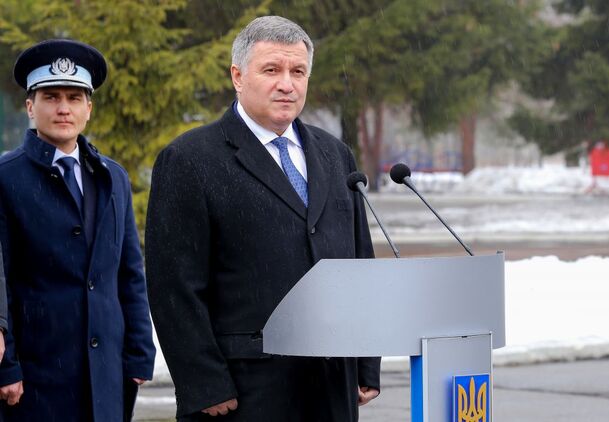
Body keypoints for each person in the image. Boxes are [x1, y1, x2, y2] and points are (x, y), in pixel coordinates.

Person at [146, 15, 381, 421]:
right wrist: (204, 383)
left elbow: (361, 263)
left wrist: (365, 362)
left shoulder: (335, 155)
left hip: (331, 389)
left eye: (298, 72)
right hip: (243, 393)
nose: (287, 84)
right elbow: (174, 286)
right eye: (271, 70)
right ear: (237, 76)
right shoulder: (189, 160)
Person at [0, 39, 156, 421]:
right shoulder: (6, 177)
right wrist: (7, 366)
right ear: (30, 107)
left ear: (89, 108)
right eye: (51, 97)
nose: (63, 108)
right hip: (35, 379)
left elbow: (129, 272)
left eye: (74, 98)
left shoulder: (113, 177)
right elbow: (1, 279)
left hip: (107, 374)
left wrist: (140, 351)